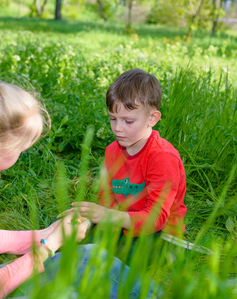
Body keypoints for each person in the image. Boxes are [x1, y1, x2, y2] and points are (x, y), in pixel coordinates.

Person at [0, 80, 155, 299]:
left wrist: (49, 232)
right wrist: (51, 243)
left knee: (90, 256)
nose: (21, 155)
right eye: (20, 150)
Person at [61, 69, 188, 261]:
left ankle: (170, 255)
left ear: (152, 118)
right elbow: (107, 195)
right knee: (69, 233)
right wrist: (94, 219)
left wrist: (106, 216)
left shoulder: (162, 157)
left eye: (128, 121)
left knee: (105, 260)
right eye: (113, 118)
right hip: (122, 221)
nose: (118, 128)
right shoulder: (112, 151)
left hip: (158, 233)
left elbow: (156, 220)